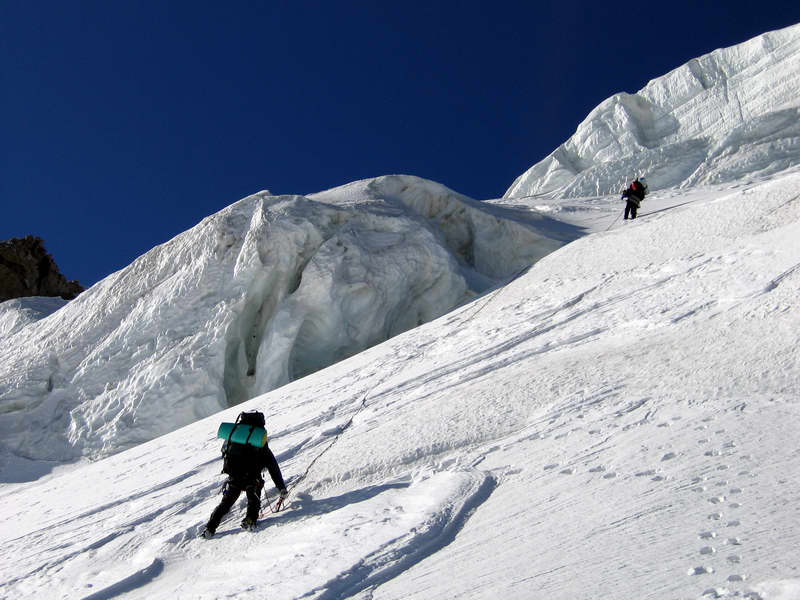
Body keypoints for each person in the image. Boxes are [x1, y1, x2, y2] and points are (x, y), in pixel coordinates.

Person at [201, 412, 288, 538]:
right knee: (253, 500)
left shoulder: (235, 436)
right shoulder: (258, 440)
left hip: (234, 475)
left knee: (225, 504)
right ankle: (250, 520)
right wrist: (281, 487)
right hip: (252, 477)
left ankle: (209, 529)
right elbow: (272, 465)